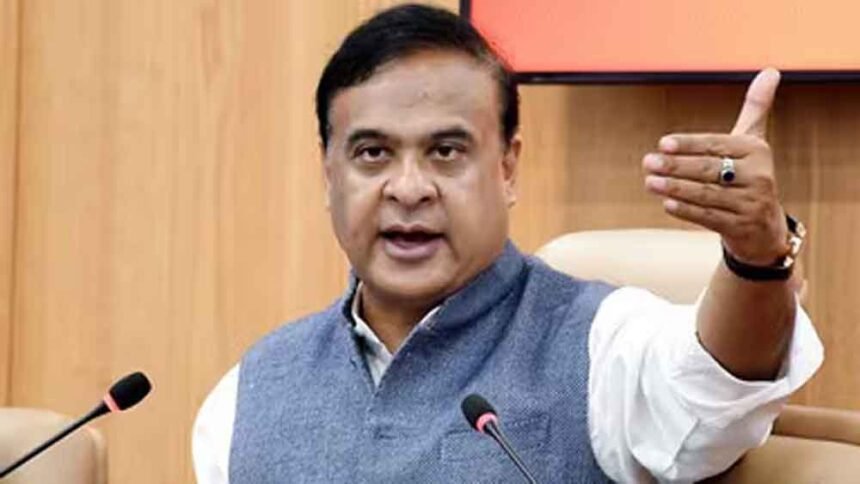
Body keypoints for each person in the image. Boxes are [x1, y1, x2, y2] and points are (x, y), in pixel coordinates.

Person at [192, 4, 822, 483]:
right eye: (373, 153)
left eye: (446, 151)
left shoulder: (602, 344)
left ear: (508, 167)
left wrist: (755, 255)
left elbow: (714, 390)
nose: (408, 189)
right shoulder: (246, 395)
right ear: (329, 175)